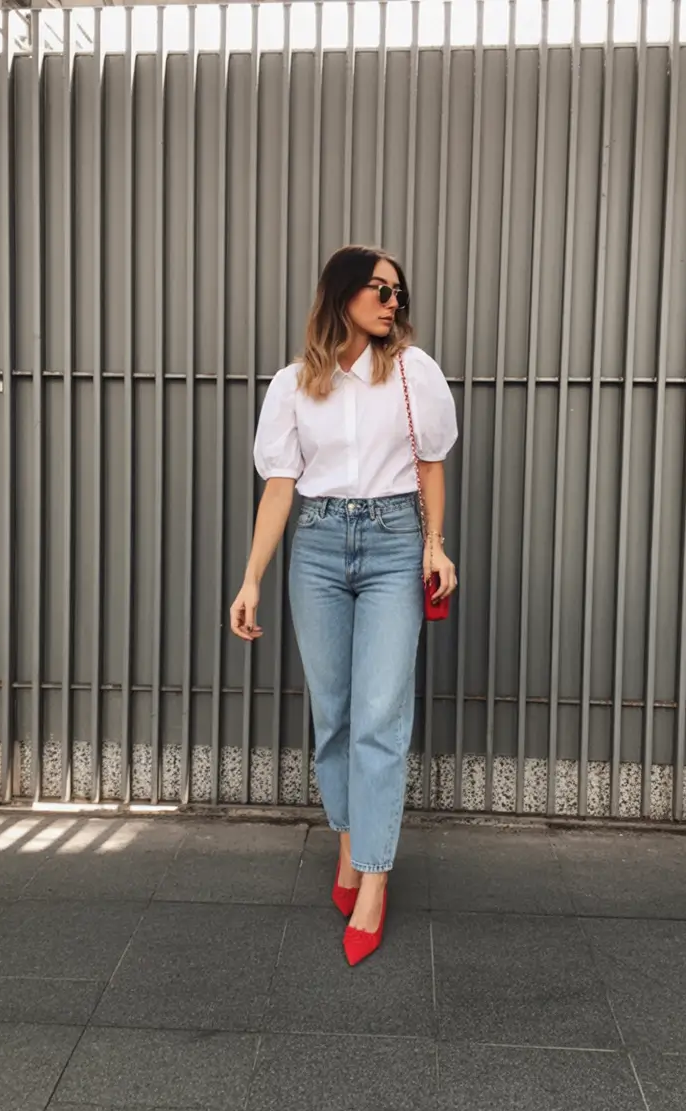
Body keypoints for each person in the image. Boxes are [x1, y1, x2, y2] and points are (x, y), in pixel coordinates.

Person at [230, 245, 458, 965]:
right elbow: (280, 487)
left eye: (399, 292)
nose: (393, 301)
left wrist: (435, 546)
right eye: (379, 289)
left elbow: (429, 465)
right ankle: (350, 848)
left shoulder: (414, 373)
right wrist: (252, 577)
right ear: (342, 295)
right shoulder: (295, 384)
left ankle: (375, 883)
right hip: (320, 546)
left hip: (394, 542)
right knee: (334, 715)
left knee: (381, 717)